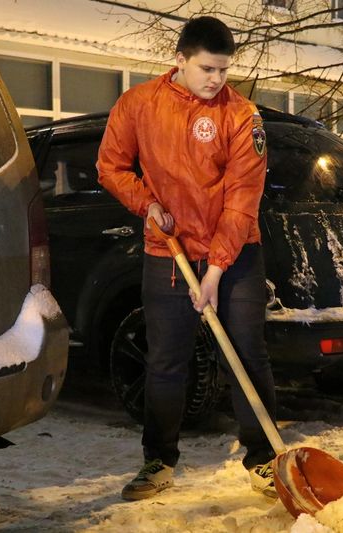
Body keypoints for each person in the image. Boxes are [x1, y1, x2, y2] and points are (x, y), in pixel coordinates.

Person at [96, 16, 277, 501]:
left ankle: (264, 459)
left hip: (236, 254)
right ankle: (158, 460)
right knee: (166, 362)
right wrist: (145, 203)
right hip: (167, 251)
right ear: (179, 59)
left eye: (223, 70)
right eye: (207, 69)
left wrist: (216, 269)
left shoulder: (242, 116)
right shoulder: (138, 105)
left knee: (246, 354)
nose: (217, 80)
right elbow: (110, 166)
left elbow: (243, 198)